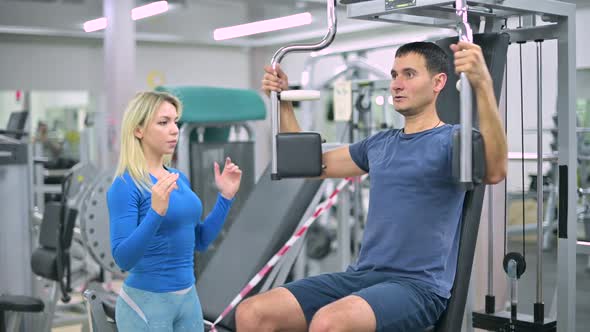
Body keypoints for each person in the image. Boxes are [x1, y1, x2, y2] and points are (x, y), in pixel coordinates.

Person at [236, 40, 507, 332]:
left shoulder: (453, 140)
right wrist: (283, 102)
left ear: (438, 82)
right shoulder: (379, 143)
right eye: (393, 75)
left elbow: (494, 171)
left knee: (329, 322)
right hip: (363, 276)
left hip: (418, 287)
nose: (396, 84)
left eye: (409, 74)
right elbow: (308, 164)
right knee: (253, 312)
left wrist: (482, 85)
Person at [106, 91, 242, 332]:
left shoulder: (179, 178)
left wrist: (225, 198)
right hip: (146, 304)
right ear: (138, 130)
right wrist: (155, 213)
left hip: (187, 299)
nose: (174, 129)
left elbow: (199, 241)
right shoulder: (126, 185)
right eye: (163, 122)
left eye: (175, 121)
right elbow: (123, 259)